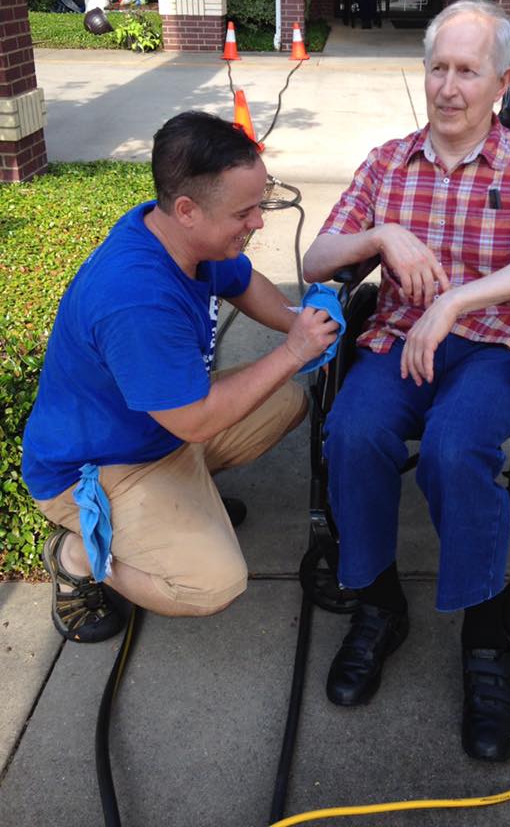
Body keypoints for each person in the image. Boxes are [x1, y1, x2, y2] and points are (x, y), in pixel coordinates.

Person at [303, 0, 510, 761]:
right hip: (399, 339)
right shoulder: (389, 162)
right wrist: (380, 234)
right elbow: (315, 261)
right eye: (438, 67)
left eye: (468, 70)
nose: (449, 86)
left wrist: (460, 296)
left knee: (454, 452)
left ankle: (486, 638)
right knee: (351, 432)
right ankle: (379, 604)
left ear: (503, 81)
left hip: (489, 345)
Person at [22, 111, 338, 644]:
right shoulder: (136, 300)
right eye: (246, 211)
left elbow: (243, 281)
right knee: (213, 584)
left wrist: (302, 322)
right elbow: (195, 420)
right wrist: (293, 350)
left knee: (286, 401)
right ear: (188, 210)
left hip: (157, 433)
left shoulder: (181, 237)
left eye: (259, 204)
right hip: (99, 467)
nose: (259, 222)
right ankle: (75, 553)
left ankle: (185, 505)